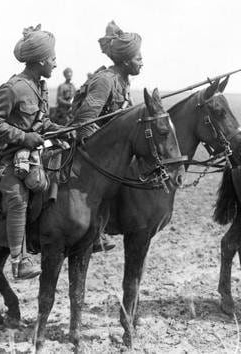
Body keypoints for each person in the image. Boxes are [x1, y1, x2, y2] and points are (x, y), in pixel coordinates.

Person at [0, 24, 59, 280]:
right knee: (17, 197)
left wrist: (62, 130)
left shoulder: (40, 86)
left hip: (33, 154)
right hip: (7, 157)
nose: (55, 64)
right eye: (52, 59)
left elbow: (42, 122)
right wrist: (24, 137)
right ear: (40, 60)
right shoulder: (14, 87)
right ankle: (19, 260)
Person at [70, 20, 143, 252]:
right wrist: (103, 154)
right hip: (90, 149)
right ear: (124, 60)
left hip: (114, 147)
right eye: (137, 57)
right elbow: (85, 120)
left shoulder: (123, 81)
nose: (142, 61)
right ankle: (96, 230)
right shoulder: (105, 80)